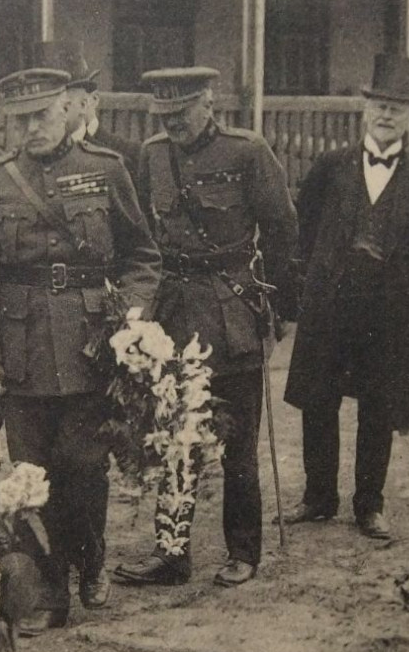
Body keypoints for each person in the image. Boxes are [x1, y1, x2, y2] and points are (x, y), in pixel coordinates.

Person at [0, 65, 161, 632]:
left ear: (69, 111)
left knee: (83, 465)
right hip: (21, 345)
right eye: (20, 120)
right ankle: (51, 587)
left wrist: (130, 320)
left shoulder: (106, 170)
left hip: (88, 345)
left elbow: (143, 257)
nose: (32, 129)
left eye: (42, 116)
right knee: (31, 473)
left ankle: (90, 559)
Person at [114, 66, 297, 588]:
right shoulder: (151, 155)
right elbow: (143, 236)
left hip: (232, 309)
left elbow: (283, 229)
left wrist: (274, 305)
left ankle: (243, 551)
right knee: (174, 434)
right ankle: (172, 553)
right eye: (164, 115)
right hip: (172, 311)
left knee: (235, 439)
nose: (172, 123)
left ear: (208, 104)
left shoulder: (247, 151)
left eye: (181, 112)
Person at [282, 54, 409, 540]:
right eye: (379, 104)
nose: (385, 115)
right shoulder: (330, 167)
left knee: (378, 406)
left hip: (388, 314)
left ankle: (369, 504)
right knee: (320, 401)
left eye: (397, 108)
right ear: (365, 109)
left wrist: (395, 273)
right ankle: (318, 497)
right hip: (330, 308)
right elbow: (305, 228)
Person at [30, 40, 143, 175]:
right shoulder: (33, 156)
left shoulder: (123, 157)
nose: (56, 109)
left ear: (88, 102)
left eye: (64, 101)